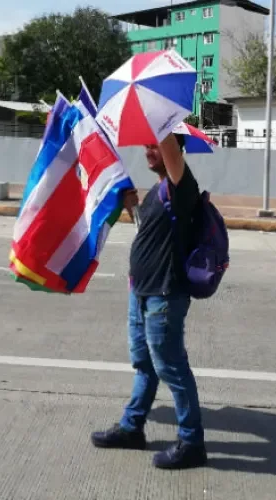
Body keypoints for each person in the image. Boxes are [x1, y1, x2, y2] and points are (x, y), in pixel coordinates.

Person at [90, 132, 207, 470]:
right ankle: (132, 428)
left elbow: (168, 144)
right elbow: (150, 231)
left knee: (171, 367)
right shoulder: (159, 191)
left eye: (155, 143)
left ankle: (192, 442)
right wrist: (132, 208)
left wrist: (160, 120)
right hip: (142, 293)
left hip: (164, 296)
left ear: (174, 150)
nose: (148, 148)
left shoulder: (181, 184)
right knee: (144, 364)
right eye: (147, 144)